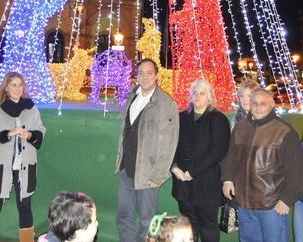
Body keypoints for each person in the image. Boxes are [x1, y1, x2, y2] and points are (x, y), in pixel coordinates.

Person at [222, 88, 303, 242]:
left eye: (263, 103)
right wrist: (227, 180)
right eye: (254, 103)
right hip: (245, 203)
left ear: (272, 105)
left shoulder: (284, 132)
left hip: (272, 207)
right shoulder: (240, 127)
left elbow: (296, 172)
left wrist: (286, 200)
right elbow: (230, 157)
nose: (258, 107)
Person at [115, 58, 179, 242]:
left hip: (148, 174)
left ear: (157, 76)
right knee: (123, 216)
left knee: (147, 221)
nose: (145, 77)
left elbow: (169, 142)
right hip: (127, 170)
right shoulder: (132, 96)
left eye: (149, 72)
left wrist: (158, 175)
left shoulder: (166, 104)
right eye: (141, 73)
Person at [0, 71, 46, 242]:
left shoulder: (31, 108)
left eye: (20, 84)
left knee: (25, 206)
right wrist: (8, 134)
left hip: (24, 166)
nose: (18, 88)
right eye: (13, 85)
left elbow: (40, 132)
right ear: (6, 88)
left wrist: (30, 135)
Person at [171, 79, 230, 242]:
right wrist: (174, 166)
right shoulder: (181, 117)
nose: (197, 96)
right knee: (189, 227)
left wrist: (192, 172)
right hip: (183, 183)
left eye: (202, 93)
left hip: (207, 185)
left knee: (207, 227)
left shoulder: (218, 119)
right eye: (194, 93)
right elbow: (171, 145)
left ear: (210, 97)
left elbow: (218, 151)